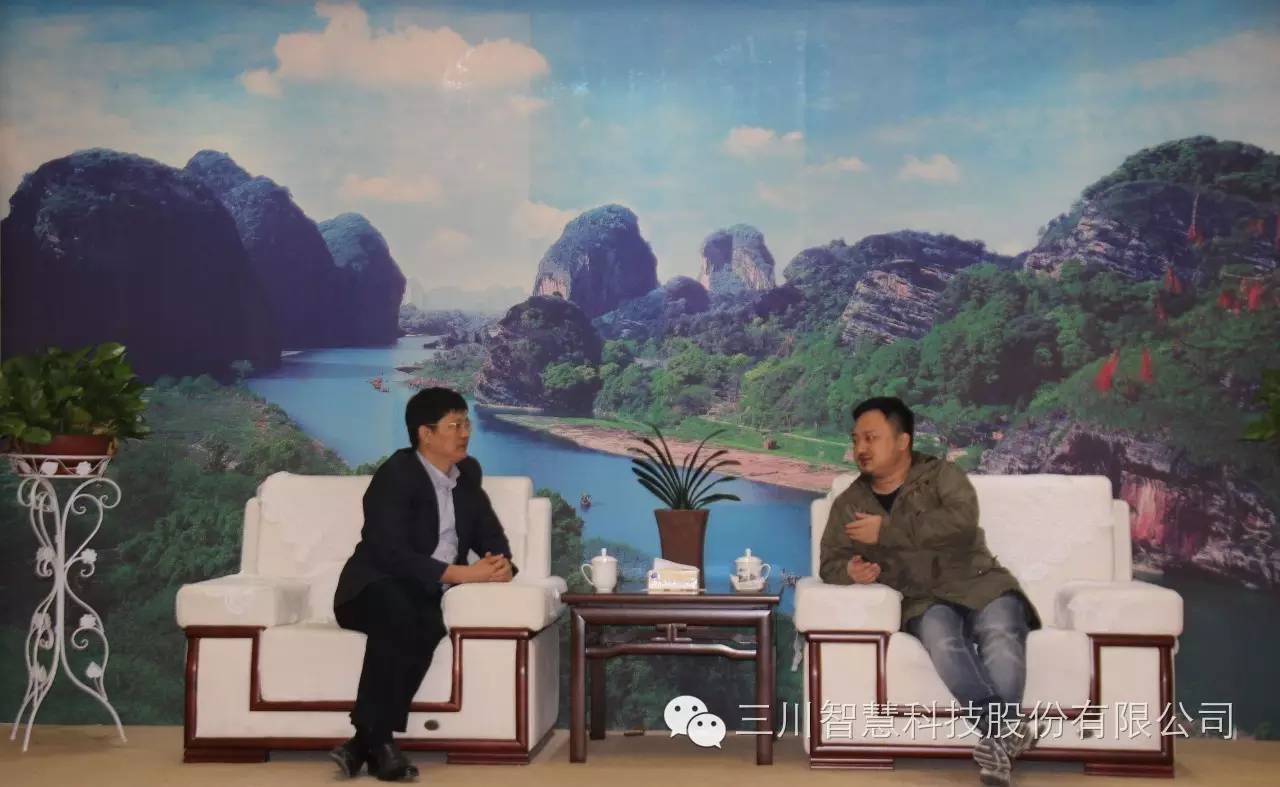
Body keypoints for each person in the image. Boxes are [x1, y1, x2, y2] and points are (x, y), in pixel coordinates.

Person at [818, 397, 1041, 787]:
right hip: (921, 597)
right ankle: (1004, 731)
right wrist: (849, 571)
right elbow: (830, 562)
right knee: (941, 638)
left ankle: (997, 746)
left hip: (979, 581)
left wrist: (886, 531)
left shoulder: (943, 476)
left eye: (871, 438)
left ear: (902, 441)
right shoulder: (850, 503)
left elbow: (960, 524)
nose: (860, 449)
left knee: (1002, 632)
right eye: (856, 440)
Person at [330, 387, 517, 781]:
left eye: (466, 423)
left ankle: (364, 743)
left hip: (422, 593)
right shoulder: (396, 475)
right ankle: (379, 742)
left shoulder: (467, 475)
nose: (465, 433)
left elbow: (490, 535)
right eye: (454, 425)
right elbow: (389, 553)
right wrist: (461, 574)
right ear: (425, 434)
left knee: (426, 623)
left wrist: (500, 564)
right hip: (369, 588)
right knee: (401, 614)